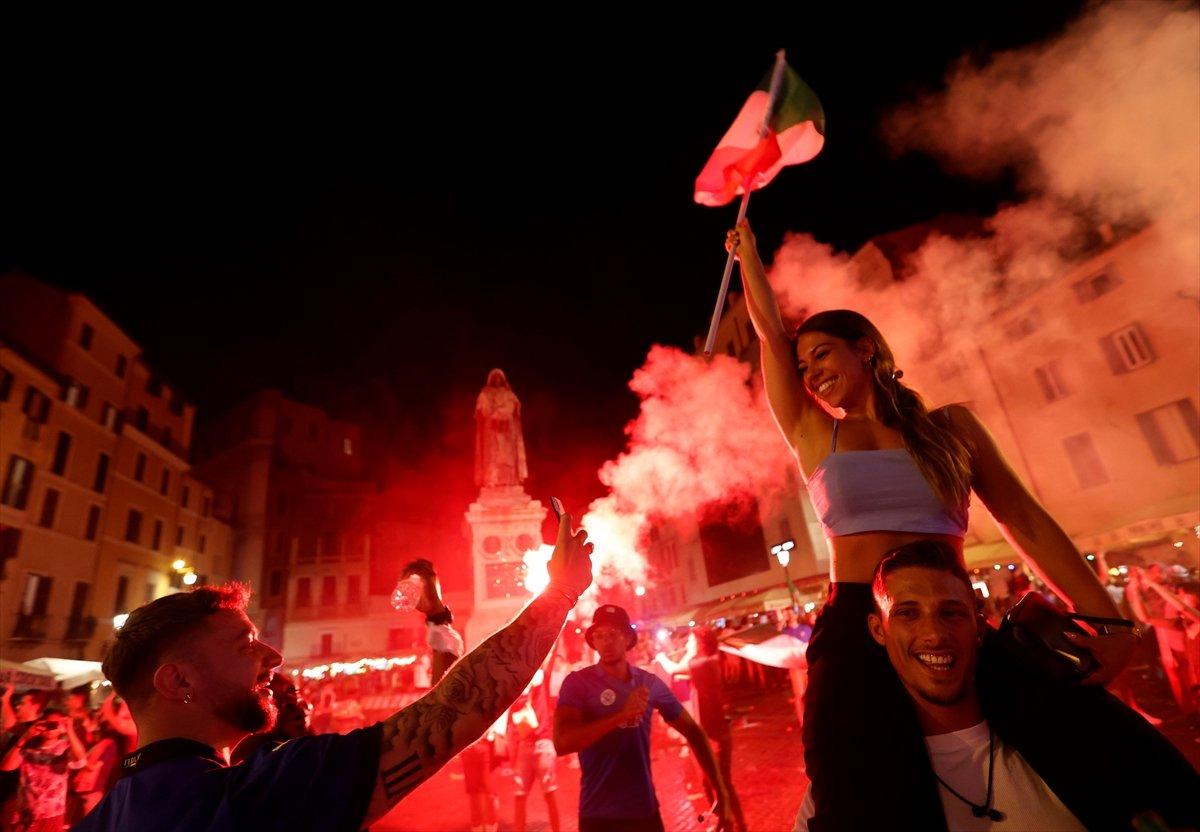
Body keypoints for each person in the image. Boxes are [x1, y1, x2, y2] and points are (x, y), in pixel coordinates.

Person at [727, 220, 1156, 829]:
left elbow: (1027, 523)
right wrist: (748, 259)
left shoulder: (952, 429)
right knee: (851, 791)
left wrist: (1109, 621)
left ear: (866, 348)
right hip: (857, 623)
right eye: (803, 366)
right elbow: (771, 336)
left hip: (954, 617)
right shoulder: (816, 432)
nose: (810, 372)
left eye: (822, 353)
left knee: (1108, 745)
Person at [74, 513, 594, 831]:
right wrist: (560, 593)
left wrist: (437, 620)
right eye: (246, 645)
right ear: (178, 681)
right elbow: (453, 711)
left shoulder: (101, 820)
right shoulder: (259, 795)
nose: (274, 659)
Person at [793, 541, 1199, 830]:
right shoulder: (849, 784)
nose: (934, 634)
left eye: (951, 613)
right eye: (908, 614)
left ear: (978, 624)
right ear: (877, 630)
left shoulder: (1076, 734)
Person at [553, 605, 737, 832]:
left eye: (613, 634)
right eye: (600, 636)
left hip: (645, 814)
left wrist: (721, 792)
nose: (606, 642)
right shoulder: (578, 683)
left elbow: (694, 733)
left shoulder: (648, 683)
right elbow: (562, 742)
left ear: (628, 638)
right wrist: (620, 715)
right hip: (598, 817)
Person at [687, 628, 746, 831]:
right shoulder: (707, 660)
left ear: (699, 643)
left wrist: (664, 656)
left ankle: (736, 824)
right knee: (708, 782)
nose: (687, 644)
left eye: (690, 640)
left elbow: (678, 667)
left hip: (714, 733)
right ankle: (726, 820)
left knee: (722, 783)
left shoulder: (703, 663)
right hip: (705, 733)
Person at [0, 706, 88, 832]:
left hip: (51, 815)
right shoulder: (28, 746)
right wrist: (25, 737)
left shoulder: (65, 747)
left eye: (55, 724)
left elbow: (81, 761)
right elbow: (6, 767)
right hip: (25, 813)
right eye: (47, 723)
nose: (50, 727)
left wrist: (69, 729)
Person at [508, 668, 561, 832]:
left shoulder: (539, 679)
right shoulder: (517, 689)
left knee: (543, 794)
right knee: (524, 795)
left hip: (541, 744)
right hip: (528, 745)